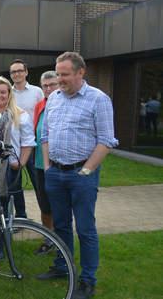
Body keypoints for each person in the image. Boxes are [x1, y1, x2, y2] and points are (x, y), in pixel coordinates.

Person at [39, 52, 118, 299]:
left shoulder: (98, 100)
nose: (59, 79)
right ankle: (63, 267)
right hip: (55, 174)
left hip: (81, 174)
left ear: (80, 72)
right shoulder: (54, 99)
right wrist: (48, 166)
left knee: (85, 229)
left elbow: (106, 140)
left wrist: (86, 171)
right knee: (61, 226)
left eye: (65, 74)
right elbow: (45, 135)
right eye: (58, 74)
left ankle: (87, 280)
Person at [0, 76, 36, 260]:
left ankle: (0, 244)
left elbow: (28, 142)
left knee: (2, 209)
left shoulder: (20, 115)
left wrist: (20, 163)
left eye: (2, 92)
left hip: (7, 169)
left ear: (9, 94)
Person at [9, 59, 44, 219]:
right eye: (13, 72)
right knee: (15, 184)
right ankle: (21, 216)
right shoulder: (7, 92)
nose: (16, 74)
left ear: (26, 72)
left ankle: (46, 215)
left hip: (33, 144)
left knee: (39, 182)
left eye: (19, 71)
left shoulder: (37, 92)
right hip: (14, 144)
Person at [32, 70, 58, 254]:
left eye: (52, 85)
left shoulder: (64, 104)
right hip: (40, 164)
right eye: (45, 86)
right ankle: (48, 239)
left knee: (59, 204)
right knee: (44, 204)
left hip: (58, 165)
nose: (48, 89)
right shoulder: (40, 105)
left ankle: (60, 240)